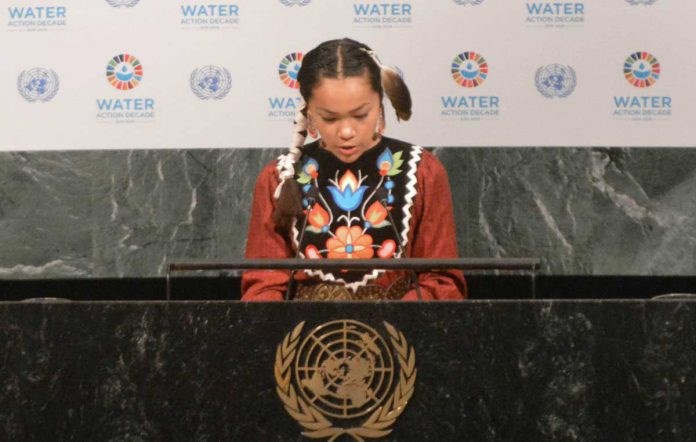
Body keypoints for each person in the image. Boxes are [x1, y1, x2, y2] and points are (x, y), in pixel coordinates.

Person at [242, 38, 466, 301]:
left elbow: (442, 282)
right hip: (307, 339)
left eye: (360, 115)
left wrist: (397, 323)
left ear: (380, 105)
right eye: (329, 118)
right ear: (308, 112)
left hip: (400, 335)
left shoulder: (423, 171)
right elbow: (264, 288)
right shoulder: (281, 178)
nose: (346, 132)